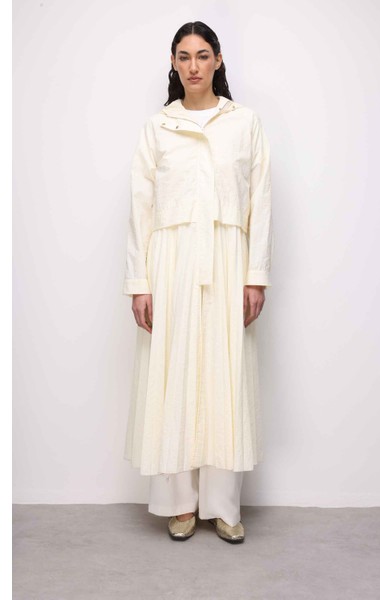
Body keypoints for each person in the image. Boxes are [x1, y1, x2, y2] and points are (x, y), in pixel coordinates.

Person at [122, 21, 274, 544]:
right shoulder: (157, 127)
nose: (193, 65)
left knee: (224, 376)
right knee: (175, 373)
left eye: (202, 55)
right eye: (184, 56)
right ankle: (180, 504)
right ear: (173, 63)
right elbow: (140, 208)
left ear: (218, 60)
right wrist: (139, 283)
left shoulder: (245, 123)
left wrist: (256, 276)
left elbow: (261, 202)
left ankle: (223, 507)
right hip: (171, 261)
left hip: (228, 258)